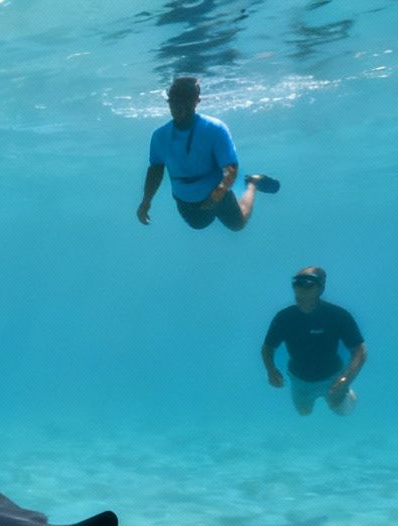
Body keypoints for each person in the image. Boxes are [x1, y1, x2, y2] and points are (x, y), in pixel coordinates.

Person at [137, 75, 279, 233]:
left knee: (237, 225)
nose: (178, 107)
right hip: (185, 200)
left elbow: (230, 168)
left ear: (196, 101)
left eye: (184, 101)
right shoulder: (159, 136)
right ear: (169, 101)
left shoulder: (215, 129)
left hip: (217, 194)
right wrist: (146, 201)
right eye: (174, 101)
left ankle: (253, 183)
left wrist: (217, 195)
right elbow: (155, 170)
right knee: (198, 225)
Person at [262, 267, 366, 416]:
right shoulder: (284, 318)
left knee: (342, 411)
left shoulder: (338, 315)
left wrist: (346, 378)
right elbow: (267, 348)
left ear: (321, 288)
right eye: (297, 284)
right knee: (304, 412)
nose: (301, 290)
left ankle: (347, 395)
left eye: (308, 285)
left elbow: (360, 350)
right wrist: (271, 370)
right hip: (300, 379)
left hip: (333, 376)